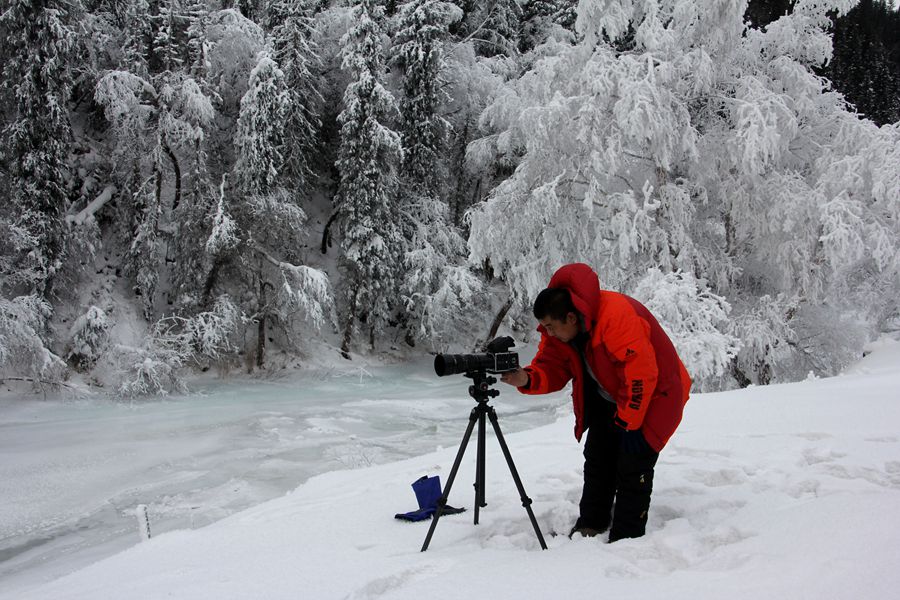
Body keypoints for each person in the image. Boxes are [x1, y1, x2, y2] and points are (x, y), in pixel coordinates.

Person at [500, 263, 691, 542]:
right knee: (598, 457)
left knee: (632, 462)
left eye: (551, 327)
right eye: (544, 327)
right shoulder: (560, 330)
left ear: (571, 318)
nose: (548, 333)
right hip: (611, 397)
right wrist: (526, 379)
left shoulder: (617, 317)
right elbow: (552, 366)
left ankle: (627, 537)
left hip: (657, 397)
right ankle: (592, 522)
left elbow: (641, 376)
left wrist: (629, 424)